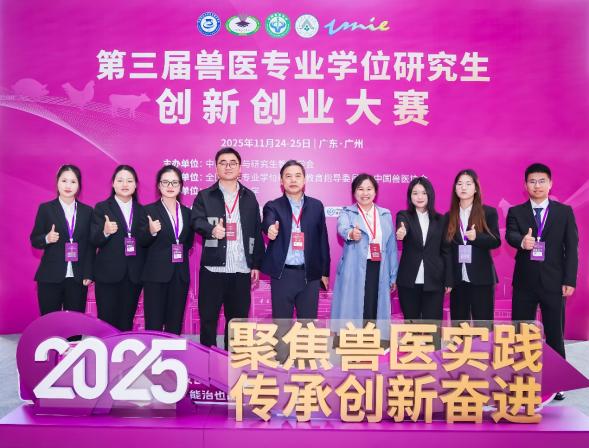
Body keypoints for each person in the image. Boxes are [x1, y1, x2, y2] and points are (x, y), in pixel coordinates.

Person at [506, 163, 578, 400]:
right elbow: (510, 234)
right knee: (521, 333)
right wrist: (521, 242)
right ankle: (521, 381)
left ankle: (558, 382)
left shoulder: (564, 212)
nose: (537, 185)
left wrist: (569, 279)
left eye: (541, 181)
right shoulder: (516, 212)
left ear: (550, 184)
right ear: (525, 185)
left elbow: (572, 249)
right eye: (532, 181)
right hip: (524, 283)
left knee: (555, 333)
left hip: (554, 283)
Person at [191, 148, 264, 350]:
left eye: (233, 163)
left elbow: (256, 231)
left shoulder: (249, 197)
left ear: (240, 168)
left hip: (241, 269)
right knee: (208, 320)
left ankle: (233, 364)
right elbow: (195, 220)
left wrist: (256, 264)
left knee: (238, 324)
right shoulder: (205, 196)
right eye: (223, 162)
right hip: (213, 269)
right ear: (216, 168)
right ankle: (208, 361)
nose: (228, 166)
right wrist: (211, 230)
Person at [261, 160, 330, 320]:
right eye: (288, 176)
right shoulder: (273, 206)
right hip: (282, 275)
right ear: (281, 181)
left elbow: (323, 240)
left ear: (304, 180)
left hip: (310, 274)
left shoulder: (316, 206)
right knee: (282, 325)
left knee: (308, 325)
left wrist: (324, 272)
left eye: (298, 176)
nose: (293, 180)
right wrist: (270, 229)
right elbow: (267, 221)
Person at [330, 174, 398, 331]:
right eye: (360, 189)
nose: (365, 193)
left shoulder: (385, 214)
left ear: (375, 192)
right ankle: (351, 339)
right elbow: (342, 228)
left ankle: (372, 339)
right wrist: (350, 233)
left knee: (373, 306)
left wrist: (393, 275)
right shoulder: (347, 212)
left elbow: (391, 248)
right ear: (354, 192)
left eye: (369, 189)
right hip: (353, 268)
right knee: (352, 306)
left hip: (378, 267)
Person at [30, 165, 94, 318]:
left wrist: (88, 272)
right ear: (57, 182)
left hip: (78, 278)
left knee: (75, 323)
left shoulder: (87, 211)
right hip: (50, 276)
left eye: (73, 181)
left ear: (79, 185)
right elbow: (34, 239)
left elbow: (90, 245)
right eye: (64, 180)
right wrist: (47, 238)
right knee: (50, 322)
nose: (68, 186)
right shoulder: (46, 209)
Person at [138, 165, 194, 334]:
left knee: (175, 324)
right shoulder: (148, 211)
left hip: (180, 275)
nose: (170, 186)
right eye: (165, 182)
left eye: (174, 182)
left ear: (181, 186)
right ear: (159, 185)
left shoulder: (187, 213)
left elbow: (188, 242)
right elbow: (141, 241)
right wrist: (151, 231)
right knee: (154, 324)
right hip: (156, 276)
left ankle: (173, 351)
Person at [91, 165, 146, 331]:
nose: (125, 184)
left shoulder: (142, 211)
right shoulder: (102, 208)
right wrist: (105, 231)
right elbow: (93, 239)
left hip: (133, 275)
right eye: (120, 180)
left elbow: (145, 241)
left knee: (126, 321)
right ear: (113, 184)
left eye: (129, 180)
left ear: (135, 185)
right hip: (108, 275)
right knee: (106, 322)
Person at [444, 169, 501, 323]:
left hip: (481, 278)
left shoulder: (488, 212)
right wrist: (448, 279)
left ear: (476, 188)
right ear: (455, 188)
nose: (463, 187)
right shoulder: (449, 216)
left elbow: (496, 241)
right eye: (459, 184)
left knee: (483, 326)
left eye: (468, 184)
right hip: (457, 280)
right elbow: (446, 250)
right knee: (459, 326)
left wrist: (477, 237)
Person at [395, 177, 452, 321]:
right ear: (410, 196)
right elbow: (402, 226)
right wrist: (402, 231)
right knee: (411, 325)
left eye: (423, 193)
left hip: (435, 280)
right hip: (408, 281)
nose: (419, 197)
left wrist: (449, 280)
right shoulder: (404, 215)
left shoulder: (441, 219)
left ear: (430, 195)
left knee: (433, 327)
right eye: (415, 193)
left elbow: (446, 251)